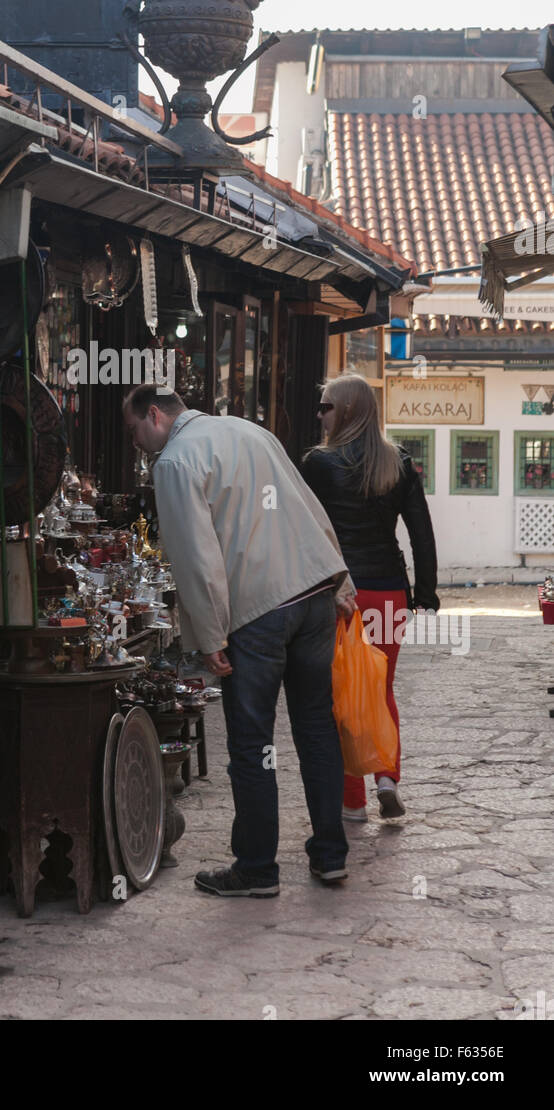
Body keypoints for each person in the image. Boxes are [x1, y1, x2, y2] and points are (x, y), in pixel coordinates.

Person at [121, 384, 357, 898]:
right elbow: (307, 507)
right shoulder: (249, 431)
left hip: (259, 611)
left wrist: (208, 635)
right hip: (312, 594)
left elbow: (195, 557)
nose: (135, 441)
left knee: (253, 745)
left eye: (134, 430)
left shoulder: (175, 462)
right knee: (317, 729)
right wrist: (340, 581)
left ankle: (256, 868)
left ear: (155, 416)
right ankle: (331, 855)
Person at [301, 372, 439, 823]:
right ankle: (386, 777)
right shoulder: (397, 462)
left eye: (325, 406)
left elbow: (306, 535)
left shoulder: (319, 465)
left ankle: (353, 801)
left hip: (338, 595)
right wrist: (425, 592)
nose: (319, 414)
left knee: (338, 695)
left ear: (346, 411)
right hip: (387, 595)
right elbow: (421, 532)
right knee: (379, 688)